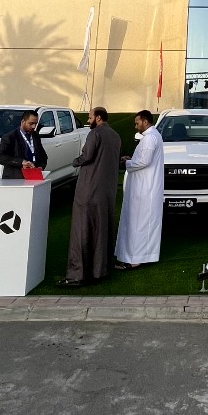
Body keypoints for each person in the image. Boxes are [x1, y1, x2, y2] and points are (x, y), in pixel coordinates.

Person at [58, 107, 122, 287]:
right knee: (102, 229)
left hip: (89, 189)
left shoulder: (95, 134)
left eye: (90, 117)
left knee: (82, 229)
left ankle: (77, 274)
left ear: (98, 118)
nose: (88, 120)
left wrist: (74, 161)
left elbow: (87, 156)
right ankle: (100, 270)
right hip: (107, 191)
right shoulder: (115, 136)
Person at [115, 109, 164, 269]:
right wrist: (131, 159)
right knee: (140, 222)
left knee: (138, 223)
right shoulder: (152, 136)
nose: (136, 126)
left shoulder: (150, 138)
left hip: (145, 188)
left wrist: (126, 163)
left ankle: (134, 259)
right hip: (144, 186)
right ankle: (134, 256)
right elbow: (143, 159)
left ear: (145, 122)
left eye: (137, 123)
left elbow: (144, 161)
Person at [0, 110, 48, 180]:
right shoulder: (10, 137)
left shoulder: (35, 136)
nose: (33, 126)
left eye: (35, 124)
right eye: (31, 123)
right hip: (15, 179)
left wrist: (40, 167)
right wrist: (21, 162)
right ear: (22, 121)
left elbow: (43, 157)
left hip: (33, 177)